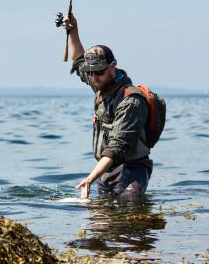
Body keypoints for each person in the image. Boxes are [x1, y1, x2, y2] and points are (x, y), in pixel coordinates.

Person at [62, 13, 153, 199]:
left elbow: (116, 146)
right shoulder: (99, 81)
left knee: (128, 208)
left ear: (113, 67)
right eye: (91, 73)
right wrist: (73, 30)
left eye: (99, 72)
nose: (94, 78)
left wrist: (89, 178)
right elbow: (78, 59)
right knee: (102, 217)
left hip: (133, 169)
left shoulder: (131, 100)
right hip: (107, 170)